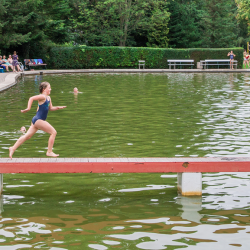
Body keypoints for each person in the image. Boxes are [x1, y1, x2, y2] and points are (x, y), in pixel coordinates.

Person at [9, 81, 67, 159]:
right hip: (38, 120)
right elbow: (31, 98)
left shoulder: (48, 98)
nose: (50, 89)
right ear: (44, 89)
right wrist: (28, 108)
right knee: (53, 132)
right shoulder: (42, 96)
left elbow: (50, 108)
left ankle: (12, 148)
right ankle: (49, 152)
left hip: (36, 120)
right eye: (49, 88)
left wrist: (58, 107)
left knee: (27, 136)